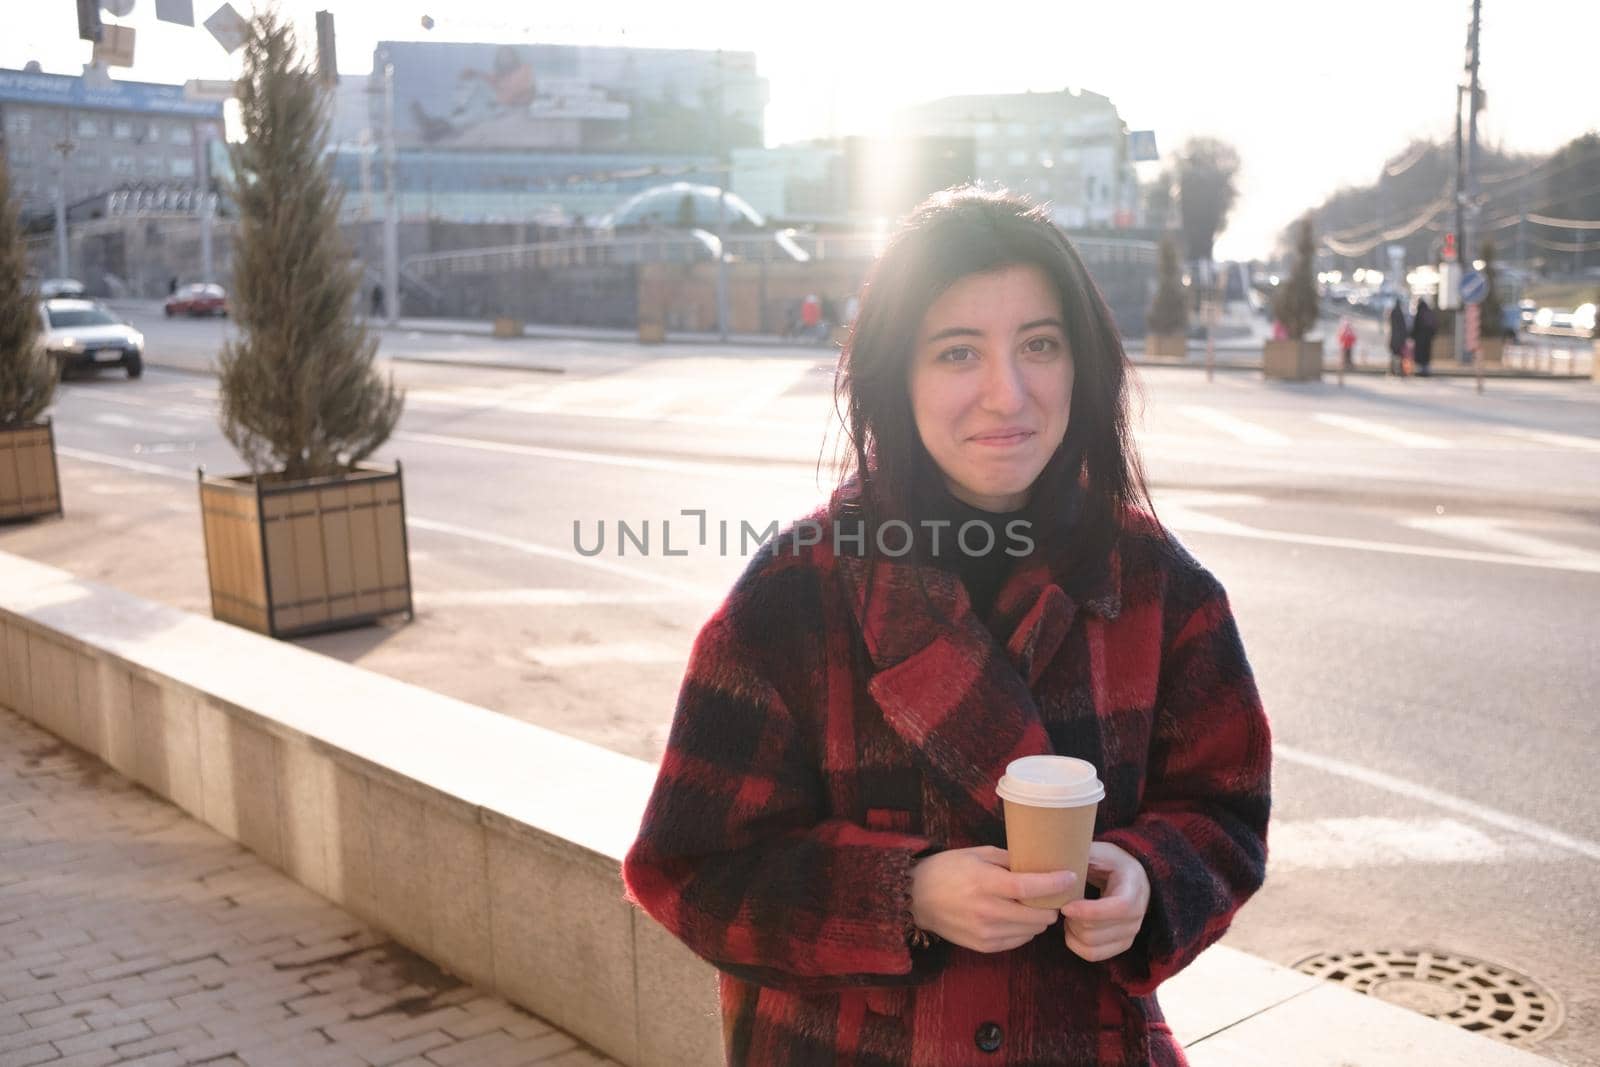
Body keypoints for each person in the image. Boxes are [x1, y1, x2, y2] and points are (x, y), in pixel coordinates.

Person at [623, 189, 1272, 1066]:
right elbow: (688, 868)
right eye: (958, 351)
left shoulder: (1162, 588)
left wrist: (1150, 880)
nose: (1007, 394)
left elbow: (1226, 809)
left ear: (1082, 366)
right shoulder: (792, 594)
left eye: (1039, 345)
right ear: (899, 374)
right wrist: (904, 896)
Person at [1411, 296, 1437, 376]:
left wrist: (1412, 335)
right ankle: (1426, 371)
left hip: (1420, 338)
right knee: (1426, 355)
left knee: (1420, 355)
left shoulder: (1419, 311)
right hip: (1428, 338)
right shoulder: (1428, 311)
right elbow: (1434, 325)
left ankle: (1421, 371)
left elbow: (1416, 325)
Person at [1388, 298, 1409, 376]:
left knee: (1394, 355)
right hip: (1399, 339)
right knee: (1400, 356)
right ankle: (1400, 371)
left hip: (1393, 338)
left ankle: (1392, 371)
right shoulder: (1401, 314)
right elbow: (1403, 328)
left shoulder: (1392, 313)